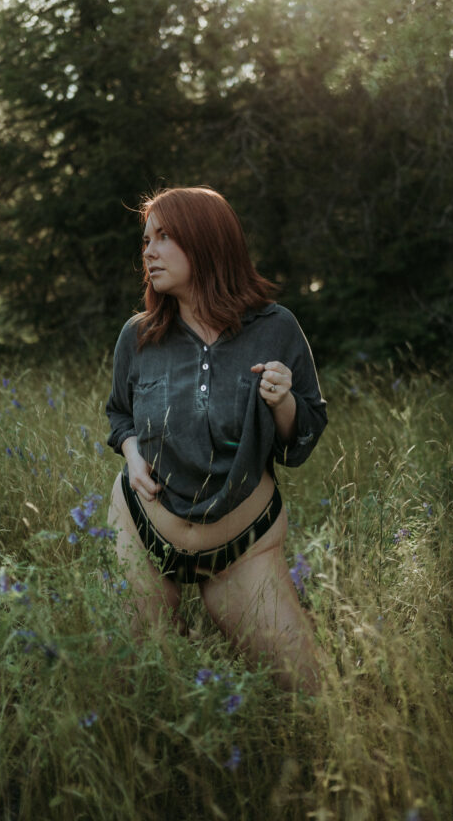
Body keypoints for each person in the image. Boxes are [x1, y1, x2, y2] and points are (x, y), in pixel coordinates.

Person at [105, 186, 327, 692]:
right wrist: (132, 453)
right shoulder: (138, 335)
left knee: (309, 687)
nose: (149, 252)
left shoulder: (276, 329)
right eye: (145, 241)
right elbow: (120, 415)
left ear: (205, 242)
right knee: (131, 683)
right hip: (144, 532)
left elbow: (302, 439)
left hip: (243, 548)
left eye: (164, 237)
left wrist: (283, 402)